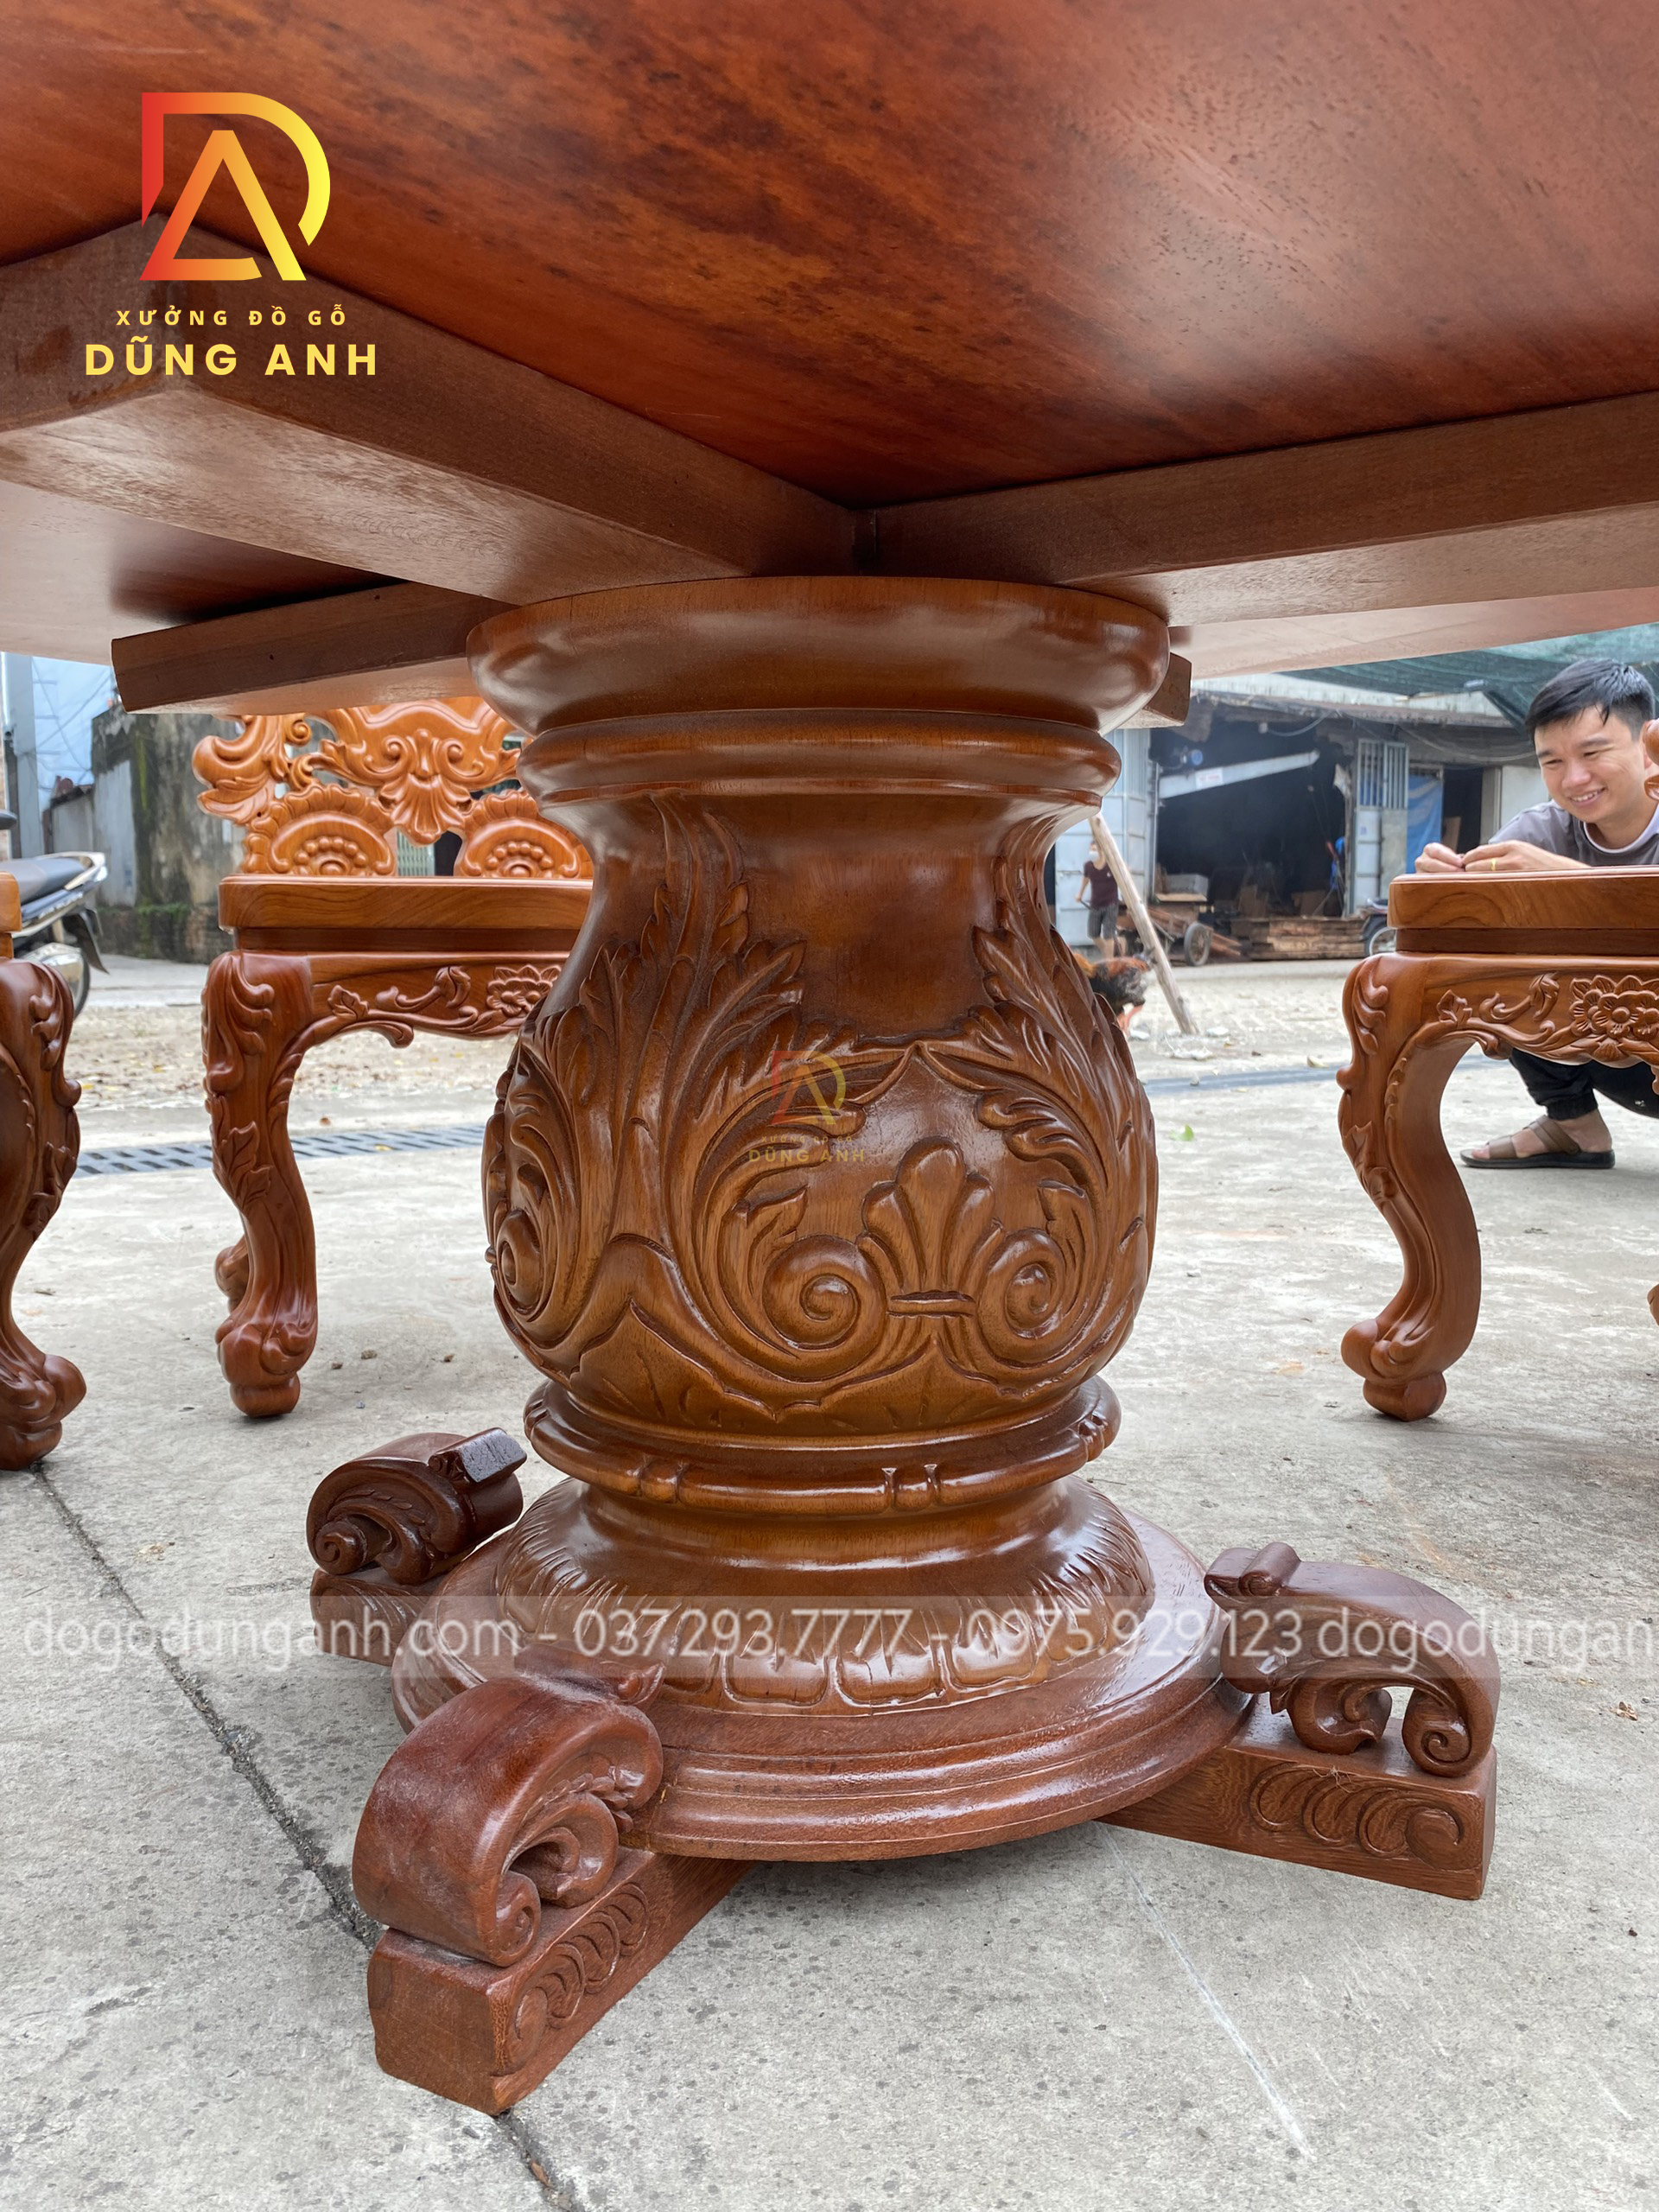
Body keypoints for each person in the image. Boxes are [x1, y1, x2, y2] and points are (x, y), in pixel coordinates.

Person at [1413, 657, 1659, 1168]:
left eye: (1592, 752)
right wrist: (1442, 888)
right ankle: (1574, 1126)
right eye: (1552, 762)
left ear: (1649, 744)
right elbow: (1463, 924)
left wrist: (1568, 880)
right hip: (1601, 1056)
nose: (1574, 779)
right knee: (1503, 963)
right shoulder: (1539, 830)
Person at [1077, 852, 1121, 945]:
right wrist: (1080, 894)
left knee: (1109, 935)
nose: (1092, 852)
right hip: (1095, 904)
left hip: (1111, 904)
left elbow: (1122, 879)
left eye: (1095, 849)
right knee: (1093, 934)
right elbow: (1085, 880)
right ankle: (1106, 951)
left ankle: (1109, 954)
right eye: (1091, 849)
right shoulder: (1088, 866)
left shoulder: (1112, 864)